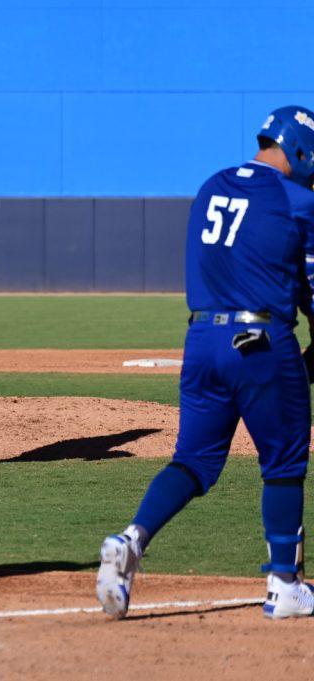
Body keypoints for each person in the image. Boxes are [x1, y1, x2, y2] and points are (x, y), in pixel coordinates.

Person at [96, 106, 314, 621]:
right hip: (262, 340)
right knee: (284, 462)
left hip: (201, 339)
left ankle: (131, 540)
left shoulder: (211, 186)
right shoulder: (298, 200)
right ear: (301, 151)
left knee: (193, 461)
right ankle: (284, 584)